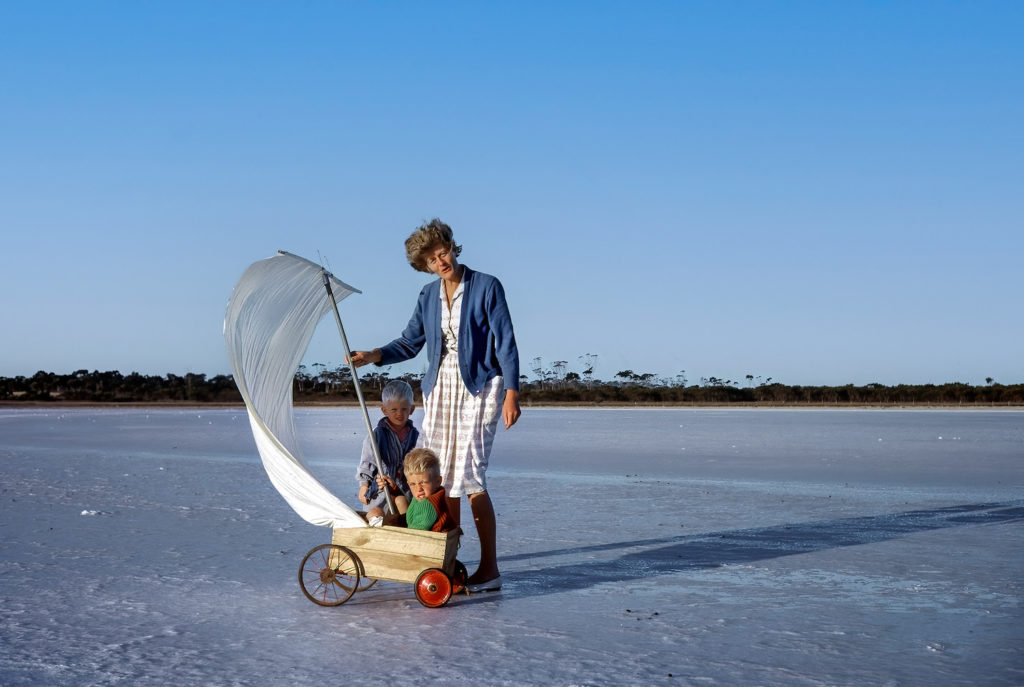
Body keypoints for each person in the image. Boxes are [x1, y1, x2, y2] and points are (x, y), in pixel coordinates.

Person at [350, 218, 520, 592]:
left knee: (471, 476)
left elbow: (505, 342)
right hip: (440, 388)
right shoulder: (428, 296)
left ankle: (489, 568)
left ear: (451, 246)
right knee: (439, 478)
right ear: (423, 266)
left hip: (479, 388)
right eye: (430, 259)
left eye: (441, 252)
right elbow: (410, 342)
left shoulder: (487, 286)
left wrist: (512, 392)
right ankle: (449, 566)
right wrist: (375, 354)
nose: (439, 261)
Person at [356, 379, 418, 518]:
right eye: (394, 409)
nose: (399, 414)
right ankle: (376, 527)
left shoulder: (416, 436)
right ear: (385, 410)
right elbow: (367, 463)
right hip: (380, 490)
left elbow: (421, 464)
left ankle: (405, 531)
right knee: (376, 513)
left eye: (404, 409)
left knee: (405, 513)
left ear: (412, 409)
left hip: (406, 491)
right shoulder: (376, 436)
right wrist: (363, 485)